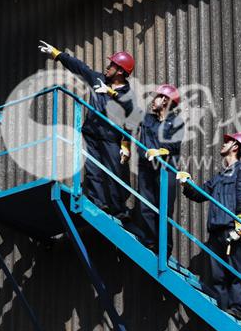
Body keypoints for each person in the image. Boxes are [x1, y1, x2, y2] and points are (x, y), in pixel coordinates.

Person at [39, 42, 141, 219]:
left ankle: (119, 211)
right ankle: (98, 203)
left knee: (114, 174)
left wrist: (126, 144)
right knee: (93, 171)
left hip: (111, 139)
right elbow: (79, 67)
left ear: (120, 71)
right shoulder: (98, 79)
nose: (107, 67)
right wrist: (57, 54)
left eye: (112, 65)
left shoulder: (128, 95)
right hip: (90, 135)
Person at [179, 132, 241, 321]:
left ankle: (237, 309)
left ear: (235, 147)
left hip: (232, 229)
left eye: (228, 142)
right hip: (215, 230)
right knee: (218, 274)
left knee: (235, 271)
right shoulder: (220, 176)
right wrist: (187, 184)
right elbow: (200, 194)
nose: (223, 144)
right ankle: (224, 308)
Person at [135, 84, 186, 253]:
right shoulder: (148, 119)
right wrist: (113, 92)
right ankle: (151, 242)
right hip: (146, 169)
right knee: (146, 207)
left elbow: (174, 143)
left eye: (156, 97)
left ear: (165, 101)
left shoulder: (177, 122)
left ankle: (164, 248)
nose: (153, 100)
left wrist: (160, 151)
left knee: (164, 210)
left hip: (165, 169)